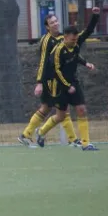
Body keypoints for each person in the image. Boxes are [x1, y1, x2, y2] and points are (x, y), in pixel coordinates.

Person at [17, 13, 93, 147]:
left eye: (56, 21)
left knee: (52, 108)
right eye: (52, 23)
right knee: (54, 108)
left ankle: (28, 134)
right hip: (51, 80)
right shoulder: (47, 41)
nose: (56, 24)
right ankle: (71, 139)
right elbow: (43, 62)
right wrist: (40, 82)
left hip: (59, 79)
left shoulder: (62, 38)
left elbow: (73, 54)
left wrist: (85, 63)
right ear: (47, 27)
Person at [36, 12, 100, 151]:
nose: (74, 42)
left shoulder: (76, 43)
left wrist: (95, 16)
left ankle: (86, 143)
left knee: (81, 110)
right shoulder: (57, 51)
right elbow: (57, 71)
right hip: (59, 86)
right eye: (72, 40)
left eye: (76, 40)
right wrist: (66, 85)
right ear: (65, 38)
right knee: (60, 116)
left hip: (73, 83)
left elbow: (87, 32)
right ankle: (41, 132)